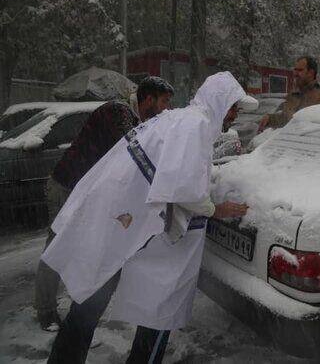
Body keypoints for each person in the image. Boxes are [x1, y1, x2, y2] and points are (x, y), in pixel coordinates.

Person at [41, 71, 255, 363]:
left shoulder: (181, 119)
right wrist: (217, 209)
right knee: (152, 305)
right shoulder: (196, 125)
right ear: (219, 101)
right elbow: (184, 187)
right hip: (124, 217)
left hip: (120, 215)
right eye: (233, 107)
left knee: (92, 295)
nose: (235, 115)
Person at [35, 76, 175, 331]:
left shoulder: (134, 119)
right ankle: (46, 311)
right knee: (57, 245)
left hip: (84, 191)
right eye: (165, 101)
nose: (167, 108)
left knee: (83, 246)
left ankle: (78, 305)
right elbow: (134, 151)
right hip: (67, 185)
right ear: (148, 99)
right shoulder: (118, 112)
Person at [258, 56, 320, 132]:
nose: (295, 73)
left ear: (311, 73)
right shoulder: (293, 95)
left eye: (300, 70)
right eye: (295, 70)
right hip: (290, 138)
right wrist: (269, 119)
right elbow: (286, 120)